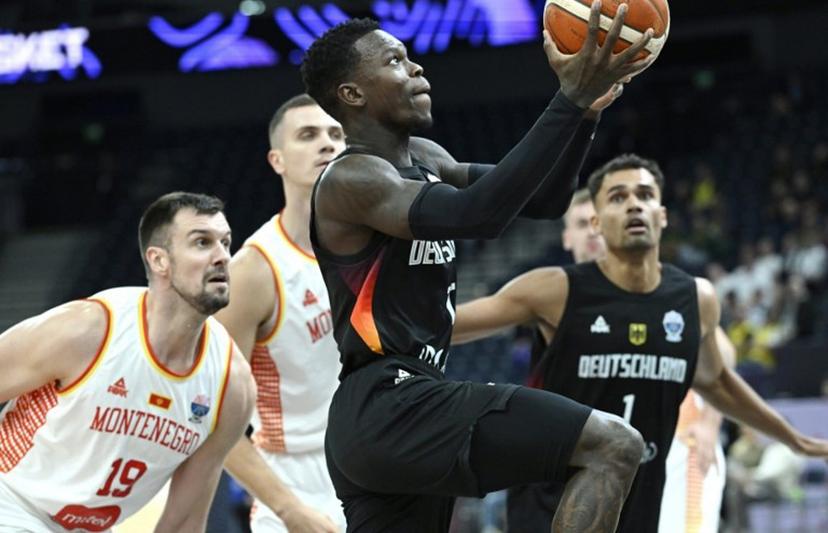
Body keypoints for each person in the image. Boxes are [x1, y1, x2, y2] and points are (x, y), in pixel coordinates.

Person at [301, 3, 657, 530]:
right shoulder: (351, 179)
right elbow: (478, 215)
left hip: (395, 410)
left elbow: (546, 199)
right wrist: (567, 98)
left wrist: (586, 112)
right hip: (388, 400)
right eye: (395, 61)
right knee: (614, 444)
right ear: (352, 94)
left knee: (610, 446)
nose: (416, 68)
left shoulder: (428, 158)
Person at [452, 153, 828, 532]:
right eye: (618, 197)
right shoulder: (555, 290)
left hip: (639, 501)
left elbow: (717, 382)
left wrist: (795, 440)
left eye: (645, 195)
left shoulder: (696, 299)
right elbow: (448, 326)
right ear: (597, 223)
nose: (634, 204)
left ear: (662, 215)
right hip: (551, 503)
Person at [0, 192, 255, 532]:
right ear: (159, 260)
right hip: (12, 504)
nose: (222, 256)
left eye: (225, 243)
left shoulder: (232, 384)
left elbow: (184, 521)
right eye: (202, 242)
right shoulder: (88, 330)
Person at [509, 188, 733, 533]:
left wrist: (709, 423)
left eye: (597, 223)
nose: (592, 233)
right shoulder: (552, 294)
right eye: (581, 224)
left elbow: (722, 351)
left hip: (667, 448)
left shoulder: (656, 288)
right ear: (566, 238)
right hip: (584, 456)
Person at [216, 94, 346, 533]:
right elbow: (211, 412)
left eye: (336, 134)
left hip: (376, 465)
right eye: (308, 135)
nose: (326, 143)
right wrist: (290, 510)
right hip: (298, 482)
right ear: (278, 160)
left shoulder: (378, 245)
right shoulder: (255, 270)